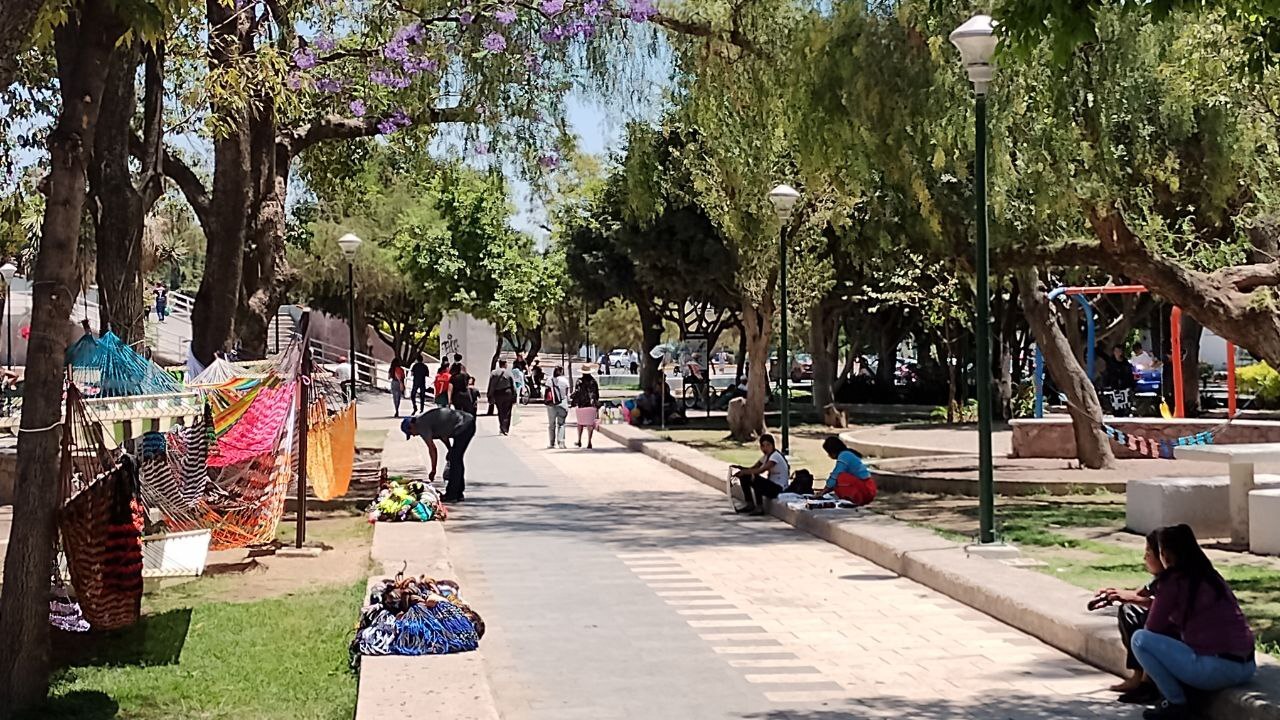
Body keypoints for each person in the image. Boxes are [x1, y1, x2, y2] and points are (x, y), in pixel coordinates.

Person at [1131, 524, 1257, 720]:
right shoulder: (1211, 576)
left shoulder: (1173, 580)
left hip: (1215, 670)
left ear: (1167, 554)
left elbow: (1153, 628)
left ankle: (1175, 702)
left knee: (1140, 639)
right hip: (1247, 667)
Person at [1095, 531, 1165, 701]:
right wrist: (1116, 594)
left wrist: (1133, 598)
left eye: (1148, 553)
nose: (1144, 558)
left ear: (1164, 557)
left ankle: (1149, 683)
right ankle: (1139, 675)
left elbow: (1164, 608)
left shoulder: (1177, 580)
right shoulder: (1159, 580)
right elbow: (1140, 594)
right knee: (1129, 610)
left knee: (1151, 622)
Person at [402, 406, 476, 503]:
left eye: (411, 433)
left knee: (455, 459)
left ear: (411, 426)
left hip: (463, 425)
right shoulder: (424, 420)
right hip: (467, 422)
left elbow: (432, 449)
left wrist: (433, 470)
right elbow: (443, 435)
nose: (414, 435)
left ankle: (452, 495)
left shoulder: (420, 425)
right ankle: (458, 493)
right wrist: (449, 449)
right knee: (455, 458)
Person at [730, 434, 790, 515]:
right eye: (763, 446)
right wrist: (741, 469)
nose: (766, 448)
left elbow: (760, 470)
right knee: (745, 477)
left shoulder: (775, 457)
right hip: (771, 486)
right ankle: (749, 503)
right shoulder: (765, 457)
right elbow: (753, 468)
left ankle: (759, 508)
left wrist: (744, 472)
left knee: (756, 479)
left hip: (778, 488)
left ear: (773, 445)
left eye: (768, 445)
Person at [818, 436, 876, 506]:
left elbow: (835, 475)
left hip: (865, 489)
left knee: (841, 477)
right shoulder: (847, 454)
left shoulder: (844, 456)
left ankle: (850, 500)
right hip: (867, 488)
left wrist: (822, 492)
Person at [572, 369, 600, 449]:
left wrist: (574, 402)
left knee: (580, 423)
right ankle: (589, 442)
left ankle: (579, 440)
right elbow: (597, 394)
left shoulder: (579, 381)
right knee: (590, 424)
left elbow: (577, 392)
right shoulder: (593, 381)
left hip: (582, 405)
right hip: (591, 405)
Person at [488, 359, 517, 435]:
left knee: (500, 411)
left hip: (498, 394)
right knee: (507, 411)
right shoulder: (509, 373)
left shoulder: (494, 373)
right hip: (508, 393)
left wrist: (490, 395)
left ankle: (501, 427)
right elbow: (513, 386)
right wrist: (515, 397)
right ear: (505, 364)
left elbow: (491, 385)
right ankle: (506, 428)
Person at [545, 366, 570, 448]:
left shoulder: (549, 380)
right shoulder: (565, 381)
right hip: (562, 403)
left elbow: (546, 392)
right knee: (561, 424)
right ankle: (561, 442)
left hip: (551, 404)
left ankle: (552, 443)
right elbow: (567, 394)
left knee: (551, 425)